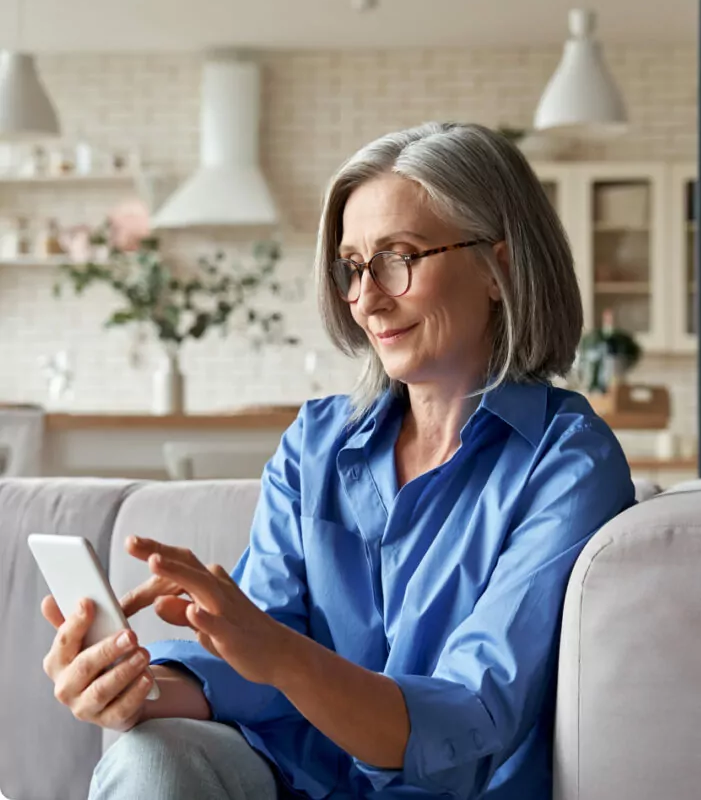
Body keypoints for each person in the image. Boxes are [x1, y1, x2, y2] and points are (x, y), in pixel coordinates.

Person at [40, 122, 635, 800]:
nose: (366, 298)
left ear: (497, 268)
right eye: (353, 266)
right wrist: (132, 688)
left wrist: (278, 656)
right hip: (292, 783)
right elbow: (255, 664)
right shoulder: (316, 443)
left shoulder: (566, 463)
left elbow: (471, 719)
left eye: (398, 257)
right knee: (150, 755)